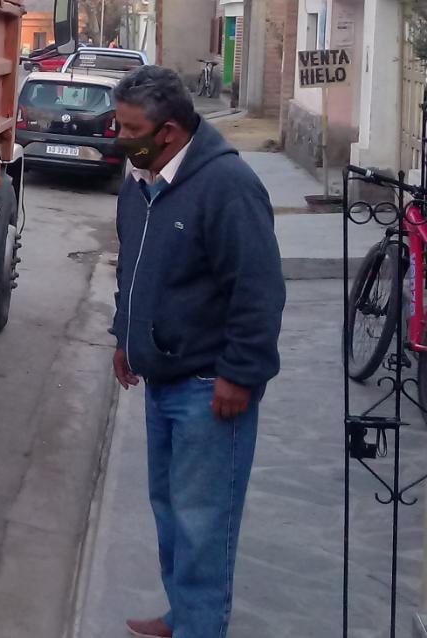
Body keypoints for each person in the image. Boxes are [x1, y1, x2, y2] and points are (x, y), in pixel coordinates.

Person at [108, 66, 284, 638]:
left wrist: (241, 374)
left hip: (211, 391)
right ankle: (183, 616)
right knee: (171, 513)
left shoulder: (227, 186)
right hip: (162, 381)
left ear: (170, 131)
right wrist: (124, 336)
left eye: (129, 126)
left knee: (205, 524)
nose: (117, 134)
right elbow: (130, 268)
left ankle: (200, 626)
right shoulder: (140, 181)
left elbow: (258, 290)